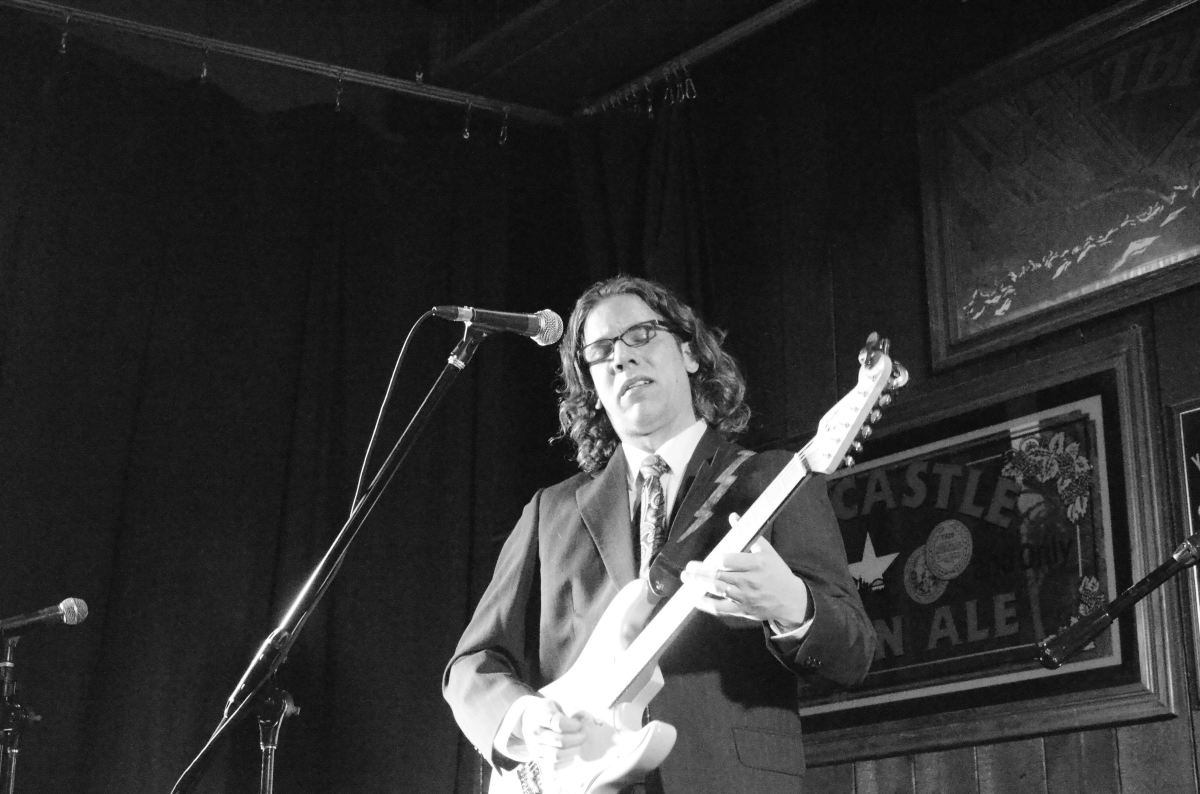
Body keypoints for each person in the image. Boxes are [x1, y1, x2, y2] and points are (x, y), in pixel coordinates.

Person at [443, 275, 875, 792]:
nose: (621, 358)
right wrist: (524, 719)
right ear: (593, 389)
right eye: (600, 351)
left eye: (641, 335)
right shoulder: (550, 511)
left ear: (690, 353)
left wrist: (791, 605)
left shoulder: (772, 481)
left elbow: (854, 654)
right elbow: (472, 666)